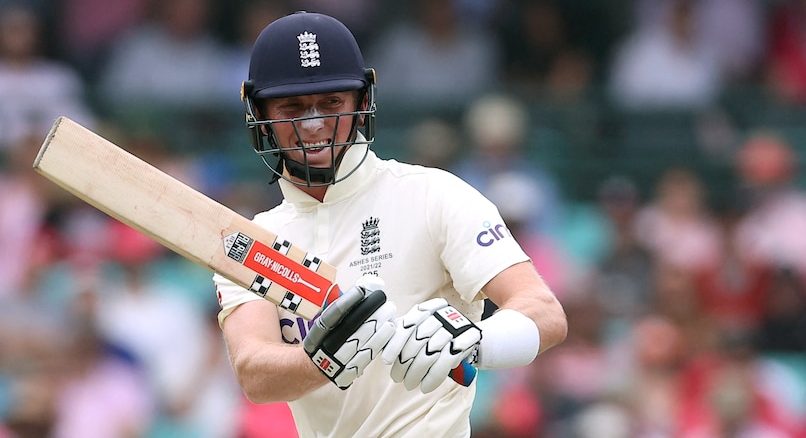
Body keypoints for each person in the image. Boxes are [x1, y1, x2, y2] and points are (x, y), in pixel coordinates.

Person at [214, 11, 567, 437]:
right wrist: (323, 359)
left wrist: (475, 340)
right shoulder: (255, 243)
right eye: (292, 106)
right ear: (259, 111)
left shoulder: (433, 195)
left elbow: (545, 313)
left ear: (362, 103)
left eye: (332, 103)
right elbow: (254, 373)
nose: (314, 123)